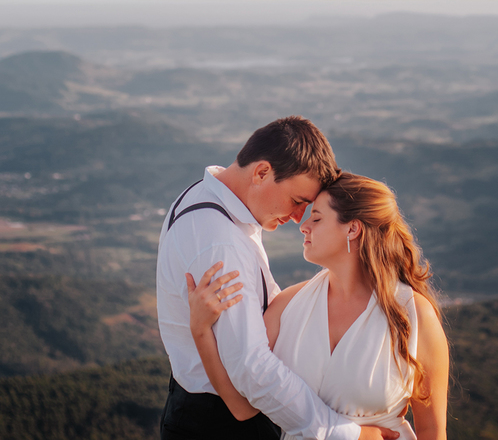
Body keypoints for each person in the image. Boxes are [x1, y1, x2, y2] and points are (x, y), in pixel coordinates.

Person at [156, 116, 401, 440]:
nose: (299, 218)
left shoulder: (208, 199)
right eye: (298, 201)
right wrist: (348, 434)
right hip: (222, 424)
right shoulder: (222, 245)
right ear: (261, 172)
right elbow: (252, 369)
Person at [187, 172, 450, 440]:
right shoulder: (287, 306)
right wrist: (200, 329)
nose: (303, 226)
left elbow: (432, 430)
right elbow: (241, 405)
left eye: (317, 217)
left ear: (352, 228)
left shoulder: (414, 314)